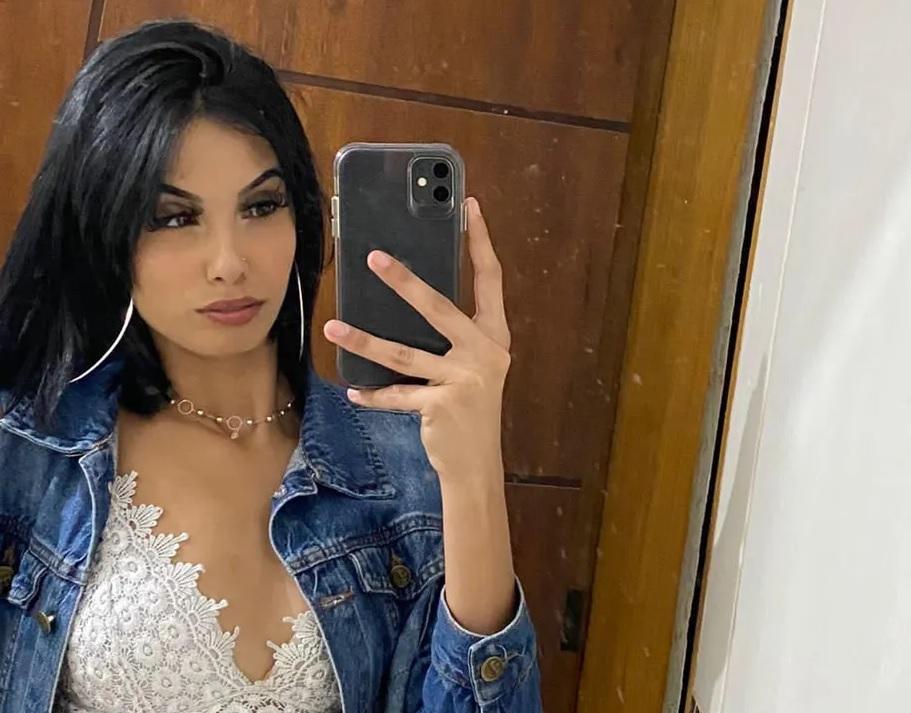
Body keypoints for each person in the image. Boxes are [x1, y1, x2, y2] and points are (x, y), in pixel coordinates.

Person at [0, 18, 542, 713]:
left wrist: (473, 476)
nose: (230, 263)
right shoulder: (27, 448)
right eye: (173, 217)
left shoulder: (407, 461)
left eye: (261, 206)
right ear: (104, 233)